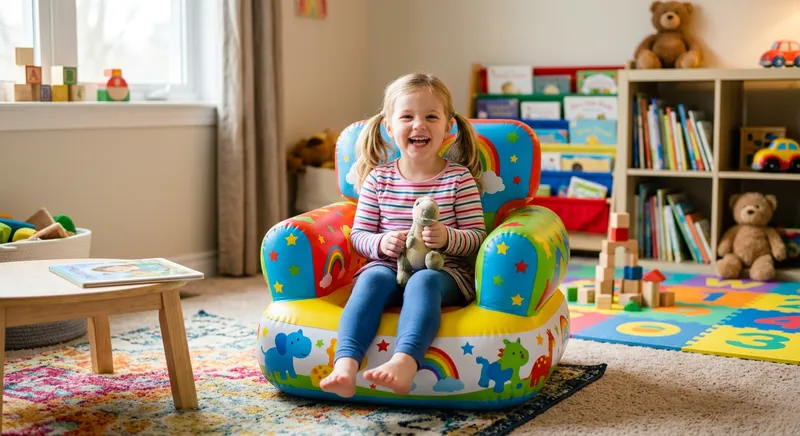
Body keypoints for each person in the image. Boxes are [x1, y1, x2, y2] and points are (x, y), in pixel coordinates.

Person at [319, 73, 486, 398]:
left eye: (430, 117)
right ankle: (345, 366)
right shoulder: (378, 179)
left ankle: (405, 363)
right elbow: (360, 236)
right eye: (407, 116)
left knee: (423, 281)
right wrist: (381, 243)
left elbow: (477, 236)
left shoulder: (459, 179)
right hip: (388, 267)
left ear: (448, 126)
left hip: (444, 273)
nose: (418, 125)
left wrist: (448, 237)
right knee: (370, 280)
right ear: (389, 126)